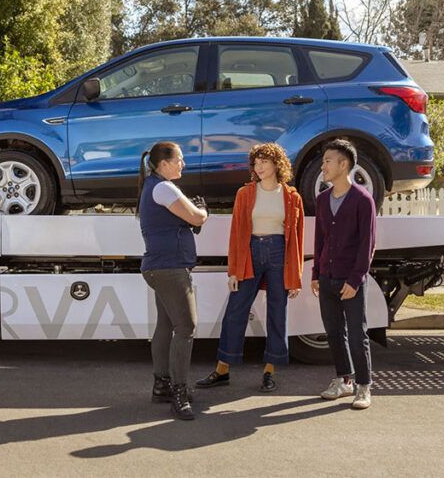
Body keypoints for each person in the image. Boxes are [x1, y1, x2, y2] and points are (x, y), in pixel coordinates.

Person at [196, 143, 304, 393]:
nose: (259, 166)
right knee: (236, 310)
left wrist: (295, 277)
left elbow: (297, 237)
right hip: (250, 251)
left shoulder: (292, 196)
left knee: (278, 312)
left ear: (278, 164)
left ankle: (269, 370)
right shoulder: (244, 194)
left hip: (279, 252)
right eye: (256, 162)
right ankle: (222, 369)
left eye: (265, 161)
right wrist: (233, 270)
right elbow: (236, 234)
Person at [138, 141, 208, 421]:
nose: (183, 164)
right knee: (186, 327)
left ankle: (162, 385)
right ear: (164, 163)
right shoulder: (163, 187)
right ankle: (179, 393)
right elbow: (196, 216)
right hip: (170, 268)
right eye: (179, 159)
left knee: (166, 326)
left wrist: (193, 220)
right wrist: (202, 214)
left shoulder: (153, 186)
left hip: (160, 267)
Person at [311, 139, 377, 409]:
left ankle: (364, 386)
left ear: (344, 164)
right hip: (327, 276)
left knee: (357, 334)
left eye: (328, 161)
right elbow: (320, 239)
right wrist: (315, 272)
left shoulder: (363, 199)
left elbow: (367, 244)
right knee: (334, 332)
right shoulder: (323, 199)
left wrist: (355, 279)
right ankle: (343, 381)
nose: (323, 166)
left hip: (351, 279)